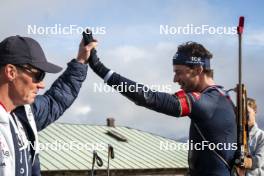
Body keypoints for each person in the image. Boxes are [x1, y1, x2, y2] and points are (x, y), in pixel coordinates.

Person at [85, 40, 237, 175]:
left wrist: (100, 68)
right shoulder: (224, 96)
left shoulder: (208, 102)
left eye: (178, 72)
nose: (175, 79)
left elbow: (149, 98)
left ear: (198, 70)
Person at [0, 35, 96, 176]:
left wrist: (81, 60)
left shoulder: (25, 114)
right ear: (11, 72)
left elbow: (56, 100)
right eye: (38, 75)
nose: (41, 84)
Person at [245, 98, 264, 175]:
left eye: (247, 113)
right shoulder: (234, 135)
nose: (244, 116)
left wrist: (244, 161)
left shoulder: (261, 136)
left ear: (254, 111)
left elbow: (259, 161)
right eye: (241, 113)